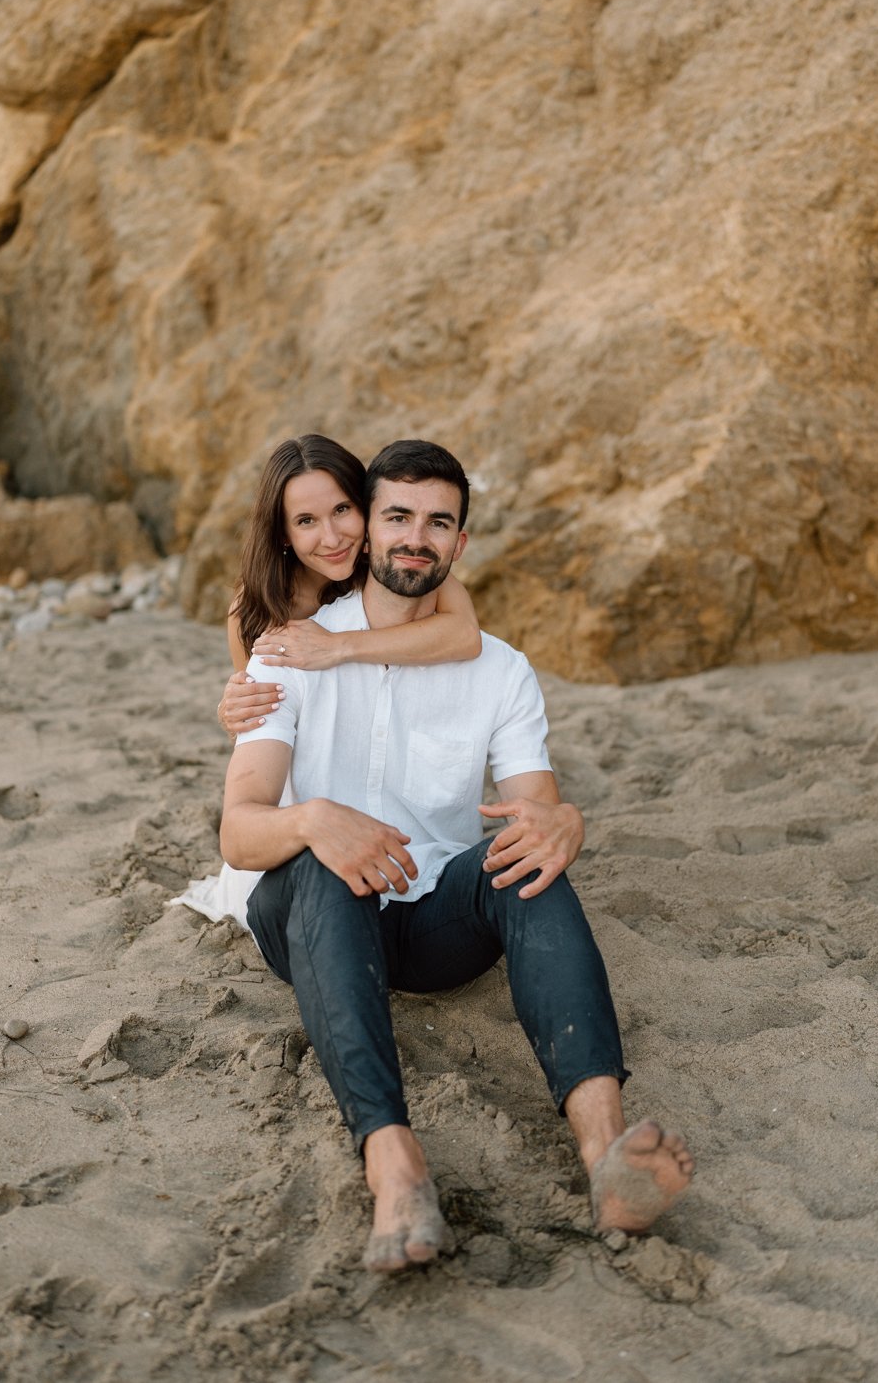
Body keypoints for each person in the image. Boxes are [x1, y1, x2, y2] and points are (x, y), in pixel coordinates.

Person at [219, 439, 695, 1271]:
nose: (417, 537)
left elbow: (533, 805)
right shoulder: (289, 651)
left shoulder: (501, 671)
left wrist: (563, 821)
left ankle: (607, 1157)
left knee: (527, 858)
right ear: (365, 532)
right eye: (397, 515)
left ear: (461, 545)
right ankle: (394, 1168)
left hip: (434, 913)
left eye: (439, 522)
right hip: (309, 917)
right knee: (319, 864)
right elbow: (239, 828)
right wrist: (317, 820)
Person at [170, 433, 482, 926]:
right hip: (306, 779)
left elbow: (465, 635)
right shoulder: (253, 608)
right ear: (283, 534)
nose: (333, 537)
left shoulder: (391, 566)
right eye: (306, 521)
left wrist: (337, 648)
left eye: (342, 510)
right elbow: (259, 719)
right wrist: (229, 709)